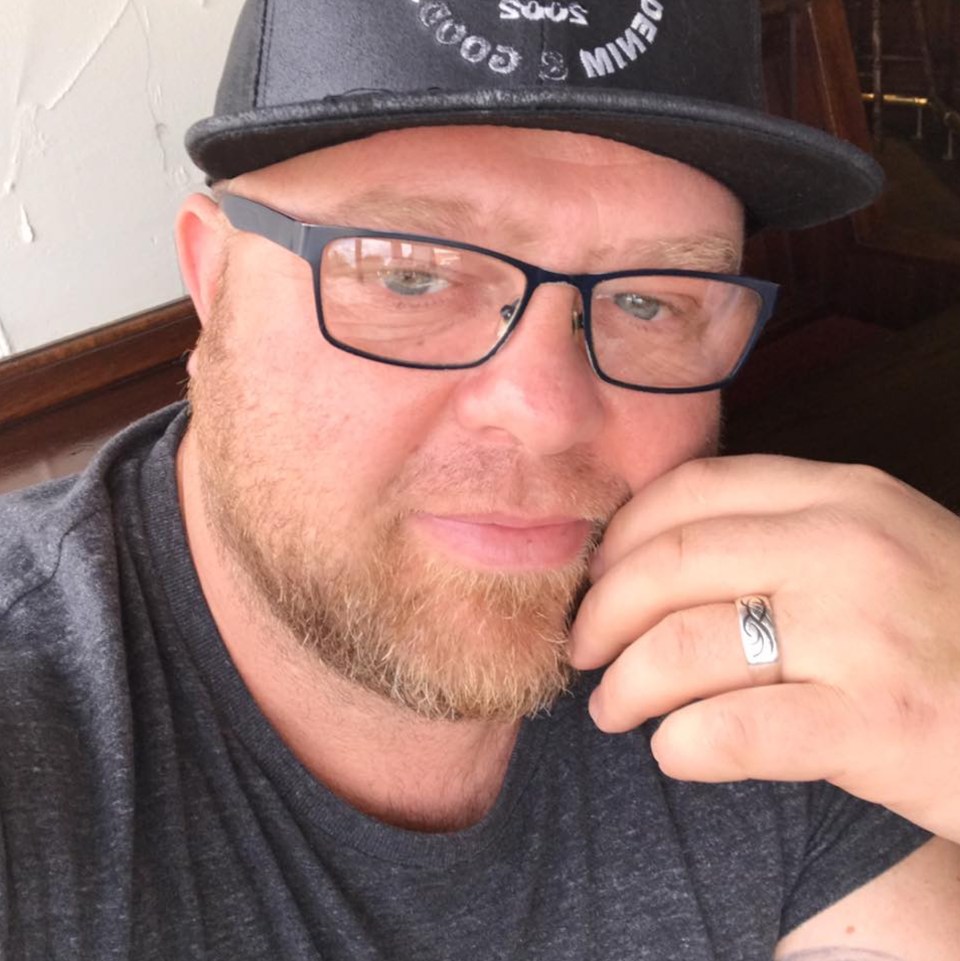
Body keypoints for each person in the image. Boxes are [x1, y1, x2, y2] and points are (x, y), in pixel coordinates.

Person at [2, 0, 959, 957]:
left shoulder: (758, 649)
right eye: (410, 274)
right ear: (214, 282)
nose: (546, 414)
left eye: (646, 298)